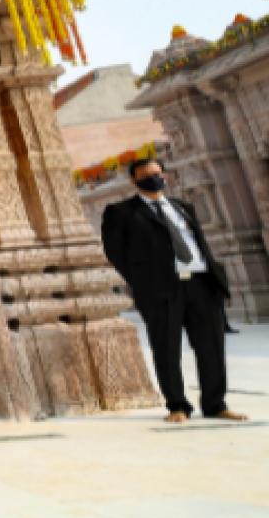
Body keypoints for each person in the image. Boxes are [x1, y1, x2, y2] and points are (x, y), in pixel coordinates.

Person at [101, 158, 248, 424]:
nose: (153, 178)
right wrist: (143, 282)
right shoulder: (121, 212)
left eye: (157, 174)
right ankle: (177, 405)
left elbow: (198, 243)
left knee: (211, 347)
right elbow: (115, 253)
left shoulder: (182, 207)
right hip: (161, 290)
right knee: (167, 348)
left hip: (201, 284)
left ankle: (216, 404)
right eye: (146, 175)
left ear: (164, 176)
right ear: (134, 181)